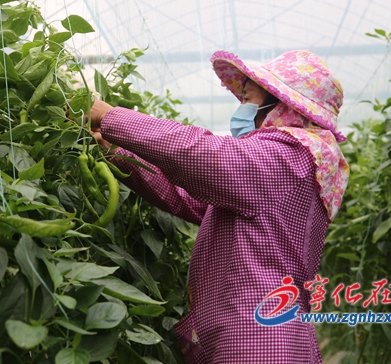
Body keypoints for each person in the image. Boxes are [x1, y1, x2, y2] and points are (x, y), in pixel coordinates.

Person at [85, 50, 349, 363]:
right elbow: (186, 198)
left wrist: (111, 116)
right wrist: (117, 149)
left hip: (260, 342)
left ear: (283, 104)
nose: (242, 109)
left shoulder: (290, 157)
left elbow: (203, 154)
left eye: (248, 99)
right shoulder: (276, 168)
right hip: (245, 333)